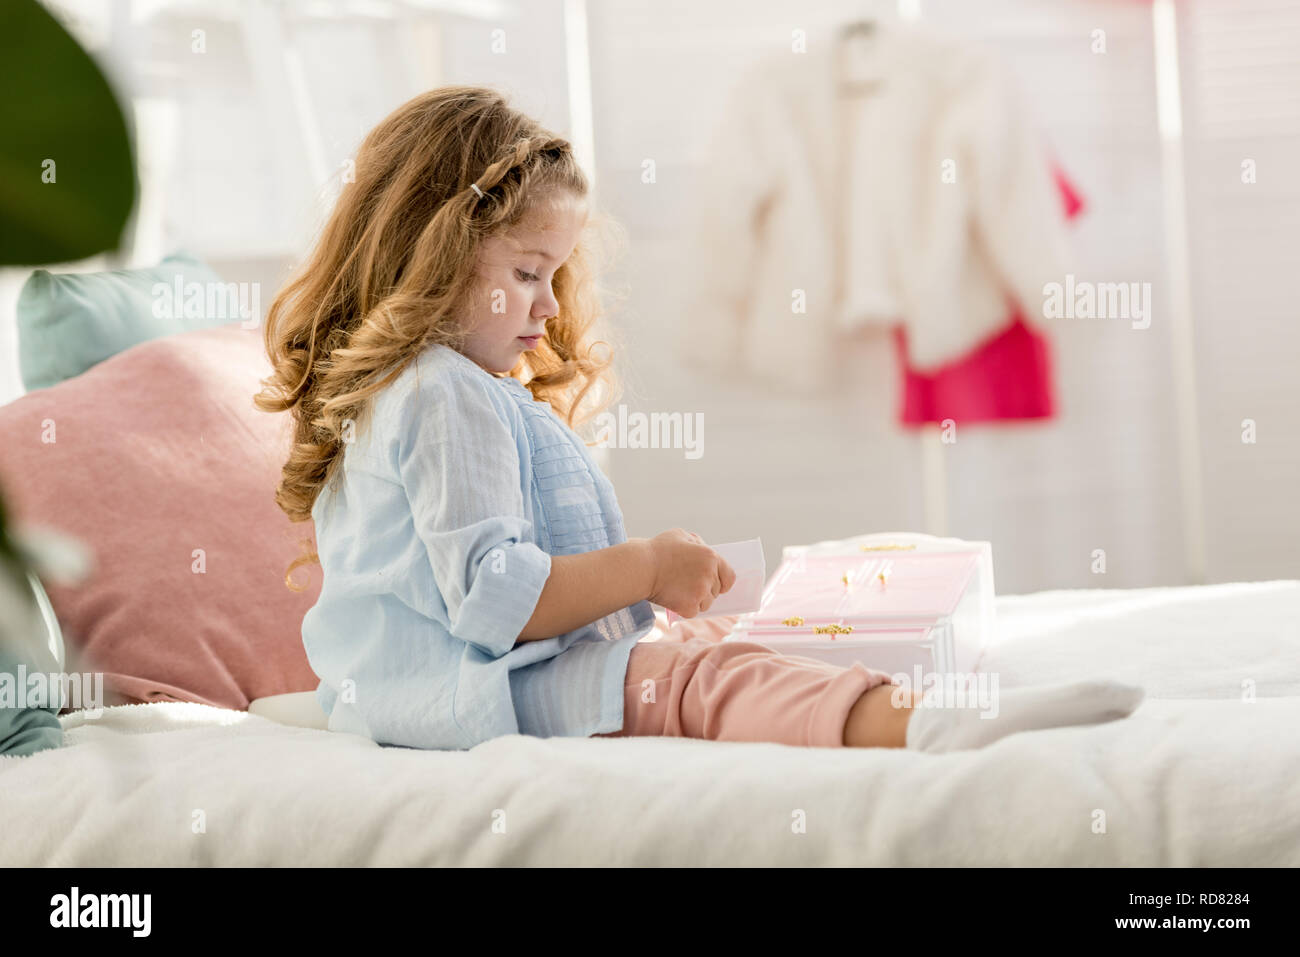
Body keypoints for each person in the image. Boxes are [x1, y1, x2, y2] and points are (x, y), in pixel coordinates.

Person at [254, 86, 1144, 753]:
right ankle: (921, 725)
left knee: (708, 640)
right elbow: (496, 599)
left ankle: (898, 697)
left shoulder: (408, 388)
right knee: (692, 672)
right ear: (436, 249)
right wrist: (645, 565)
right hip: (475, 700)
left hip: (417, 689)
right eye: (527, 272)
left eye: (556, 277)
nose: (548, 306)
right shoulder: (444, 391)